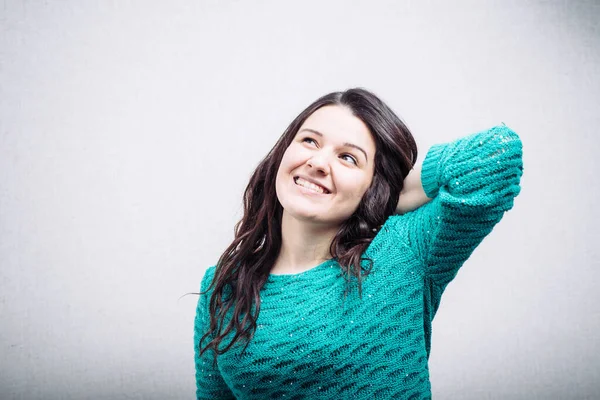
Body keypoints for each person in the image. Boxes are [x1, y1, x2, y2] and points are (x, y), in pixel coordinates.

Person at [193, 88, 523, 399]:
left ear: (372, 184)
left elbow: (499, 153)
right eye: (309, 141)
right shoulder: (221, 286)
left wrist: (389, 195)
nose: (318, 163)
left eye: (349, 158)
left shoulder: (402, 250)